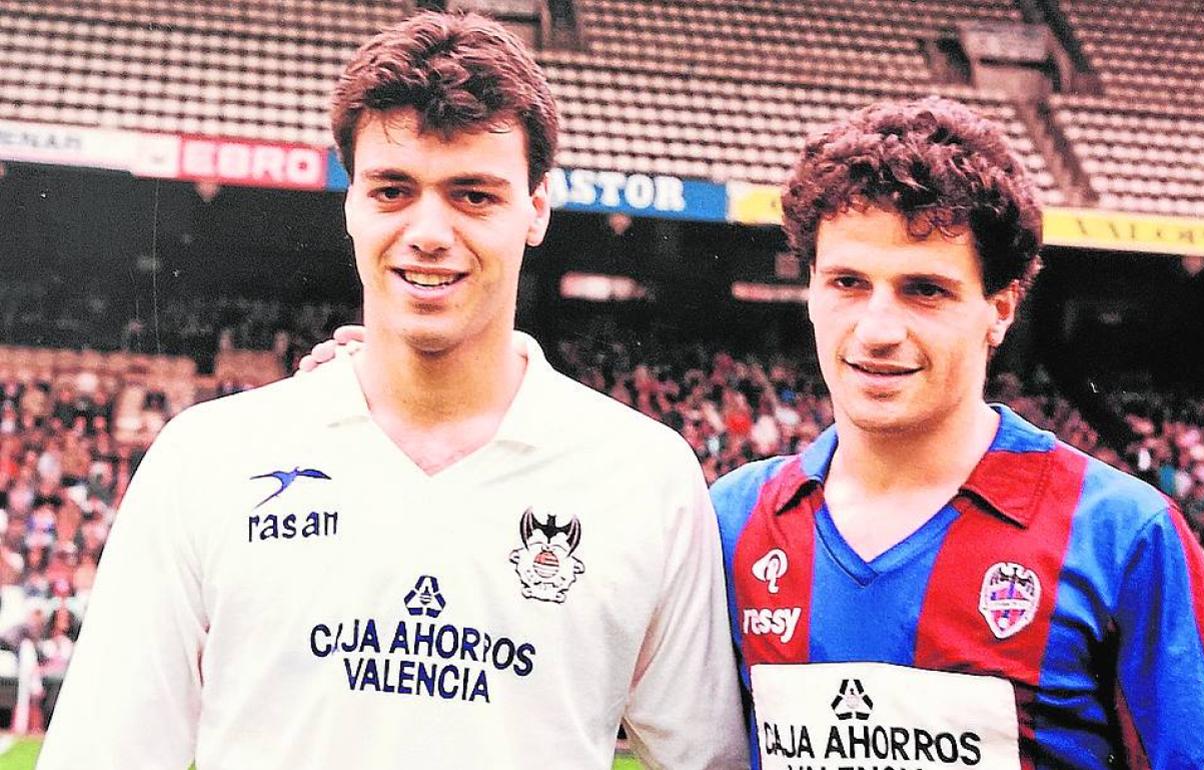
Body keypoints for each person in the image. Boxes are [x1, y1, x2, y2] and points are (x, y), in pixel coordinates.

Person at [37, 11, 746, 770]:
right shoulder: (207, 460)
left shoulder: (645, 479)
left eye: (473, 195)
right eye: (393, 190)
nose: (429, 230)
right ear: (350, 203)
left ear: (536, 209)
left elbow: (703, 759)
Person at [712, 97, 1204, 769]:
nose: (877, 329)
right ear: (811, 289)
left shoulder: (1123, 536)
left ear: (999, 309)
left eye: (925, 290)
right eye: (848, 282)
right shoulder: (733, 522)